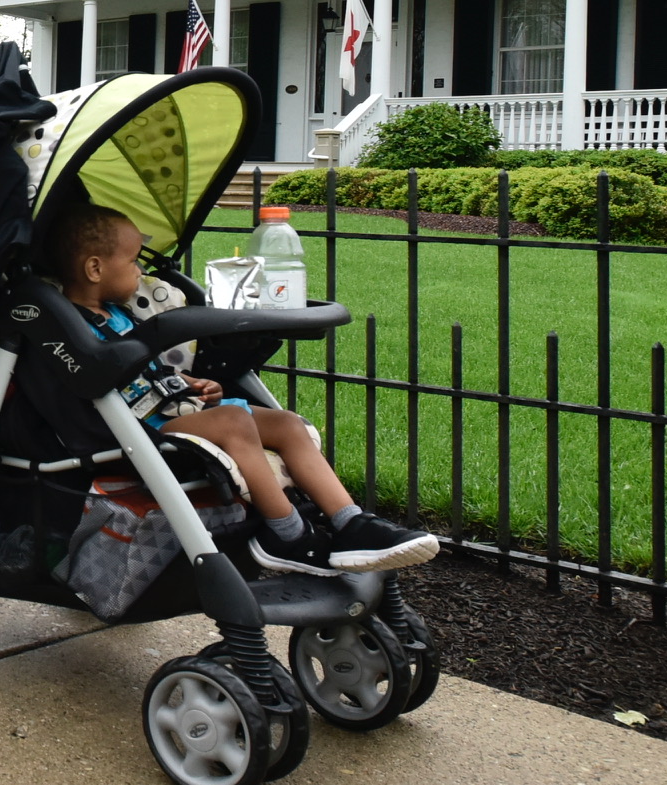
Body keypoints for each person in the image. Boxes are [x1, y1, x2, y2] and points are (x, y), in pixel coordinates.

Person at [46, 201, 439, 573]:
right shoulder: (68, 325)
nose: (140, 272)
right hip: (140, 427)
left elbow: (147, 370)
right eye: (132, 261)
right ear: (95, 269)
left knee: (285, 423)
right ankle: (285, 535)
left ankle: (351, 523)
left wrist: (193, 383)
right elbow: (99, 380)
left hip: (174, 406)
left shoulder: (122, 312)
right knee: (234, 420)